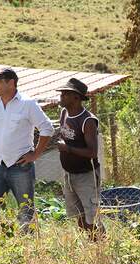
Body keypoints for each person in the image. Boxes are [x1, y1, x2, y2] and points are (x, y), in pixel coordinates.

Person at [0, 67, 54, 230]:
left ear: (11, 83)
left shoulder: (28, 104)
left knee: (25, 212)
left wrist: (36, 154)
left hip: (21, 168)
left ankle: (28, 248)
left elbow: (47, 128)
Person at [56, 78, 105, 240]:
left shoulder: (87, 120)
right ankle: (93, 247)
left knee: (92, 218)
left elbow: (92, 152)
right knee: (80, 217)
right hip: (69, 175)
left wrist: (67, 148)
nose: (61, 96)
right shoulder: (64, 113)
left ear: (76, 97)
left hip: (86, 176)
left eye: (65, 93)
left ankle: (102, 247)